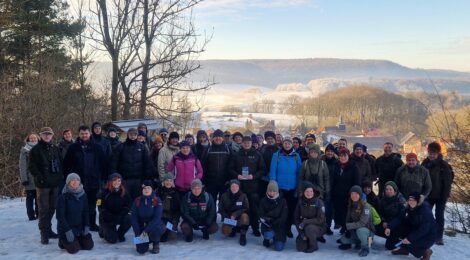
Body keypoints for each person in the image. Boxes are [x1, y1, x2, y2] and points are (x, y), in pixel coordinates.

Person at [63, 125, 108, 231]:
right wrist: (68, 179)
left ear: (90, 134)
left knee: (94, 204)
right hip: (78, 182)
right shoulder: (73, 148)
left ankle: (92, 223)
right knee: (79, 204)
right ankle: (81, 223)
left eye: (86, 133)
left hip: (94, 182)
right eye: (82, 134)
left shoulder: (97, 147)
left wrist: (104, 178)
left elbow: (104, 164)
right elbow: (66, 165)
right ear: (79, 134)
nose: (84, 135)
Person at [29, 127, 63, 244]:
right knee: (43, 210)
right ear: (41, 135)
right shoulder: (36, 150)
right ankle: (44, 233)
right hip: (43, 185)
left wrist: (60, 176)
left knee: (53, 207)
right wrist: (39, 177)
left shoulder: (55, 148)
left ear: (52, 136)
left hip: (55, 183)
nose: (47, 136)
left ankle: (49, 230)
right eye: (45, 134)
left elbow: (60, 163)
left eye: (49, 134)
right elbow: (32, 166)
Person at [229, 135, 266, 237]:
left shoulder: (257, 154)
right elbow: (230, 168)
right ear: (242, 144)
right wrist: (237, 175)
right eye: (244, 143)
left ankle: (255, 228)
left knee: (253, 208)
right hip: (239, 187)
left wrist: (253, 176)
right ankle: (237, 227)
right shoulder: (236, 155)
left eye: (248, 143)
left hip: (253, 186)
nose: (246, 145)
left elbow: (263, 169)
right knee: (238, 207)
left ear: (251, 144)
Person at [422, 141, 453, 245]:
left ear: (438, 153)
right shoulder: (424, 163)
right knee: (427, 215)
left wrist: (445, 196)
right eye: (430, 153)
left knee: (439, 216)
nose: (431, 155)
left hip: (440, 196)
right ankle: (427, 233)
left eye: (433, 154)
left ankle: (439, 237)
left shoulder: (444, 165)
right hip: (428, 195)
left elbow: (447, 183)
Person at [269, 137, 302, 238]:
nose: (287, 145)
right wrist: (274, 186)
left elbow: (299, 173)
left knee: (291, 210)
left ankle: (287, 228)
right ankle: (280, 228)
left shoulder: (296, 156)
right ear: (282, 144)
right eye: (285, 143)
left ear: (292, 145)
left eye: (289, 143)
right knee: (280, 210)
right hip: (280, 188)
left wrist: (298, 187)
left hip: (292, 188)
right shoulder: (277, 155)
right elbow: (273, 171)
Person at [111, 128, 154, 200]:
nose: (133, 136)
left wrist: (147, 178)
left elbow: (147, 164)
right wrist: (114, 177)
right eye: (131, 134)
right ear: (128, 135)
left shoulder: (142, 147)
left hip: (138, 180)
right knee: (125, 199)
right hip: (124, 179)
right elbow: (113, 163)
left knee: (137, 199)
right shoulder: (120, 146)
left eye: (135, 134)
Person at [57, 173, 94, 254]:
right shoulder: (63, 197)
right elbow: (60, 216)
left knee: (89, 245)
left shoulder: (83, 195)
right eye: (72, 180)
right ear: (68, 182)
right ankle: (62, 240)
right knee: (74, 249)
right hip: (66, 229)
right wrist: (67, 230)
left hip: (79, 228)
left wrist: (87, 225)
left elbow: (85, 211)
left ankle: (75, 239)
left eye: (77, 180)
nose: (75, 182)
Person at [391, 192, 435, 260]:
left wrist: (410, 238)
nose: (411, 202)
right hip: (417, 230)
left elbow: (424, 229)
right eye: (409, 200)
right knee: (401, 227)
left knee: (412, 244)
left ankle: (426, 251)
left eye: (413, 200)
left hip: (429, 235)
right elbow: (399, 218)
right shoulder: (408, 208)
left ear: (417, 201)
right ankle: (405, 249)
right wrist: (389, 226)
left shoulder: (425, 210)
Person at [338, 185, 374, 257]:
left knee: (360, 231)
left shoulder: (366, 206)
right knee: (344, 240)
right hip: (356, 230)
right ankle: (359, 242)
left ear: (360, 195)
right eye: (352, 194)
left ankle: (366, 247)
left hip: (368, 232)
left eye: (356, 194)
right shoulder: (351, 205)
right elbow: (348, 220)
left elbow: (362, 223)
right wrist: (347, 229)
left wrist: (348, 226)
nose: (354, 196)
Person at [130, 180, 165, 254]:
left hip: (153, 226)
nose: (146, 190)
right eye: (144, 188)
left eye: (148, 188)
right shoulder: (137, 200)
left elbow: (157, 219)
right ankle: (146, 241)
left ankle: (156, 243)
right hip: (142, 227)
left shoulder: (157, 200)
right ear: (142, 190)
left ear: (152, 189)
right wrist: (137, 233)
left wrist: (145, 231)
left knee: (156, 229)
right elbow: (133, 218)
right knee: (141, 250)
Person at [331, 148, 360, 234]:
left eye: (344, 156)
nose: (342, 158)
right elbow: (333, 180)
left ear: (348, 156)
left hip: (349, 196)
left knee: (347, 215)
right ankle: (344, 229)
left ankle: (348, 234)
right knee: (339, 214)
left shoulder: (354, 166)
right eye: (341, 156)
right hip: (337, 195)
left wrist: (354, 195)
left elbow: (357, 182)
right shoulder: (337, 165)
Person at [97, 173, 132, 244]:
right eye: (114, 180)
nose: (117, 183)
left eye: (119, 181)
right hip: (108, 217)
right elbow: (99, 205)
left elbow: (128, 204)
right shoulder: (103, 192)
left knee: (129, 218)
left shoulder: (124, 191)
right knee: (112, 240)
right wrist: (106, 214)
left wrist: (121, 214)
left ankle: (120, 234)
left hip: (119, 215)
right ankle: (103, 230)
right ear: (110, 181)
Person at [294, 181, 327, 253]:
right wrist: (301, 233)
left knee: (309, 228)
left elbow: (320, 220)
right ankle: (308, 238)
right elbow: (296, 218)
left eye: (311, 191)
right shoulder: (300, 202)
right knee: (300, 247)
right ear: (303, 192)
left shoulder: (319, 202)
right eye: (307, 191)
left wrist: (305, 221)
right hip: (304, 227)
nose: (309, 193)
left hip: (319, 227)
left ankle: (314, 246)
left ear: (314, 191)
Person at [200, 129, 231, 202]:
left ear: (222, 138)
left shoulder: (227, 149)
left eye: (220, 137)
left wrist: (229, 179)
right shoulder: (208, 149)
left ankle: (221, 213)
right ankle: (212, 213)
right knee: (211, 201)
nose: (218, 138)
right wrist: (204, 180)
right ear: (213, 138)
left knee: (223, 202)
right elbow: (203, 165)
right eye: (216, 137)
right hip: (211, 181)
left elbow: (231, 164)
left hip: (224, 181)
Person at [218, 179, 250, 246]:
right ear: (230, 187)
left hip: (239, 217)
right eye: (232, 186)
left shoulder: (243, 196)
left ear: (239, 187)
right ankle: (234, 229)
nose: (234, 188)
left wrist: (235, 214)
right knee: (225, 232)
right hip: (228, 217)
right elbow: (221, 208)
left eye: (236, 186)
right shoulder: (224, 196)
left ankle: (243, 235)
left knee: (245, 217)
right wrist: (226, 217)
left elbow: (246, 208)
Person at [375, 181, 406, 250]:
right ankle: (390, 237)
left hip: (397, 225)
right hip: (387, 224)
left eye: (390, 189)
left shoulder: (401, 201)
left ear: (395, 191)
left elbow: (400, 218)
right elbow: (380, 213)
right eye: (386, 189)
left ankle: (403, 242)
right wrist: (383, 221)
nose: (388, 191)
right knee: (374, 228)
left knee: (389, 246)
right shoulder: (383, 200)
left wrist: (390, 226)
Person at [259, 180, 288, 251]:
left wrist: (275, 221)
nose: (272, 193)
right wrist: (268, 220)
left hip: (279, 225)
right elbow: (261, 214)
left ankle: (277, 238)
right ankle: (267, 239)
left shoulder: (283, 201)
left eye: (274, 191)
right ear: (267, 191)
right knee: (268, 235)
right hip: (268, 225)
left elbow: (284, 216)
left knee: (279, 248)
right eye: (270, 191)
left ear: (277, 191)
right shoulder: (263, 201)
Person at [19, 133, 39, 220]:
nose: (33, 139)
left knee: (39, 198)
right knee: (30, 199)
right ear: (28, 140)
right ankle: (31, 215)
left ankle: (39, 214)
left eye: (34, 138)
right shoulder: (24, 150)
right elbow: (22, 166)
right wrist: (24, 179)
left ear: (37, 139)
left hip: (39, 178)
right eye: (31, 138)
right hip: (30, 179)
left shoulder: (40, 148)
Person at [157, 174, 181, 242]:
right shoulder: (158, 191)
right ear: (163, 182)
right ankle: (142, 241)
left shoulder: (176, 192)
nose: (168, 182)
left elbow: (178, 210)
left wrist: (175, 220)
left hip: (171, 218)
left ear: (172, 182)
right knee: (159, 234)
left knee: (172, 236)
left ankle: (167, 231)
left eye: (170, 181)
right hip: (160, 218)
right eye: (167, 180)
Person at [322, 143, 339, 234]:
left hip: (333, 189)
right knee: (322, 210)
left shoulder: (337, 162)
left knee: (329, 210)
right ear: (325, 152)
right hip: (322, 189)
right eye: (328, 151)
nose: (329, 153)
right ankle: (321, 227)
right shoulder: (321, 161)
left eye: (331, 151)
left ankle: (327, 227)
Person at [259, 131, 278, 200]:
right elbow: (260, 162)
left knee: (275, 194)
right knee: (265, 194)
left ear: (274, 139)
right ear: (266, 140)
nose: (270, 140)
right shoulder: (262, 149)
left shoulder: (279, 149)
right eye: (268, 139)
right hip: (264, 176)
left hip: (276, 176)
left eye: (271, 138)